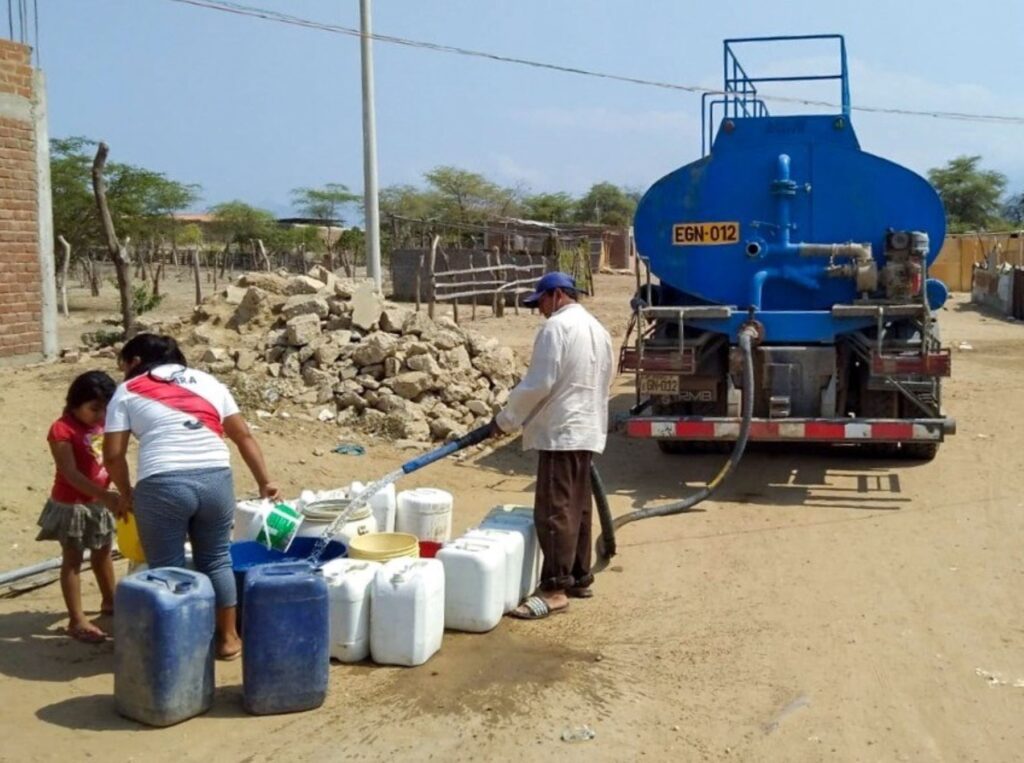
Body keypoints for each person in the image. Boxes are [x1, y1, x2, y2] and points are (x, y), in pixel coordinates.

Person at [103, 334, 280, 660]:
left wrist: (127, 493)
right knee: (215, 559)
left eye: (124, 363)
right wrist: (264, 481)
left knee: (168, 567)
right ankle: (228, 639)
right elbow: (243, 435)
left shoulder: (127, 391)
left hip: (162, 485)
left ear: (136, 362)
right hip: (216, 480)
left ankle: (181, 645)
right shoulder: (210, 382)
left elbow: (113, 455)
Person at [492, 272, 613, 620]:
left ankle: (556, 588)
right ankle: (579, 576)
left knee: (554, 510)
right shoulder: (599, 330)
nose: (539, 311)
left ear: (557, 294)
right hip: (586, 428)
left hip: (561, 431)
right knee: (578, 506)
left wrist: (506, 420)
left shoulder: (555, 329)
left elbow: (538, 384)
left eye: (541, 302)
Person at [38, 370, 120, 643]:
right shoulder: (62, 430)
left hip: (99, 501)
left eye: (105, 409)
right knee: (73, 560)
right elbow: (71, 474)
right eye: (94, 409)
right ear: (76, 404)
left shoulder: (103, 426)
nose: (100, 415)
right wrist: (105, 495)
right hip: (72, 505)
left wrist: (118, 489)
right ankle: (77, 619)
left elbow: (110, 460)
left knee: (103, 553)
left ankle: (111, 601)